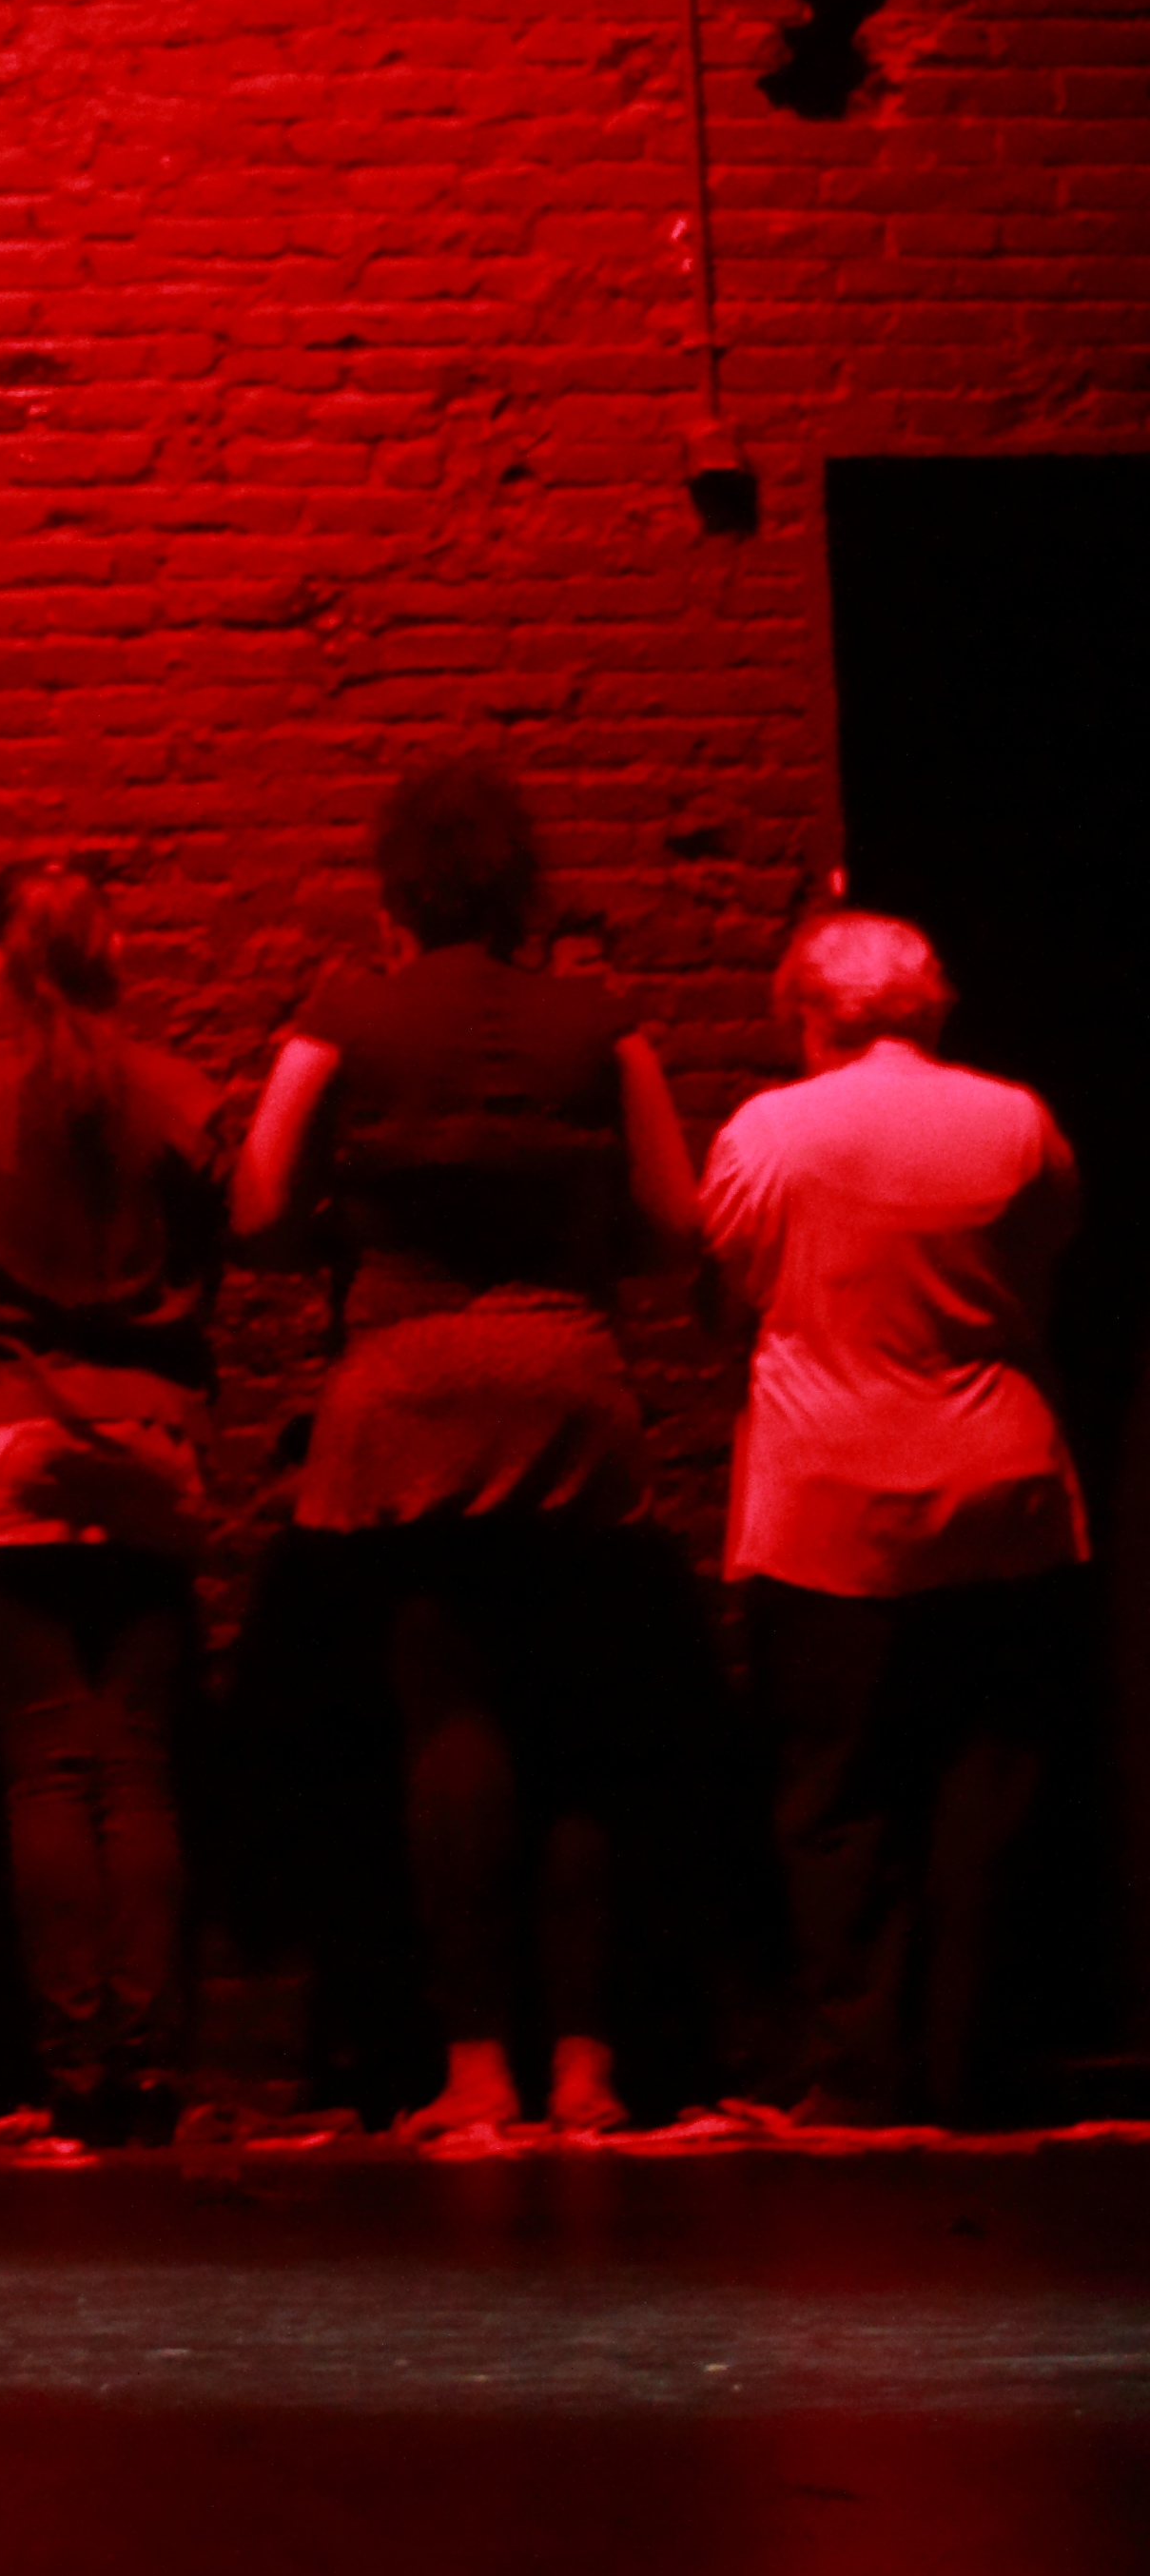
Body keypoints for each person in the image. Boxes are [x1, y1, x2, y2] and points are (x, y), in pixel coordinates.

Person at [232, 758, 699, 2138]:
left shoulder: (341, 1016)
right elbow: (675, 1225)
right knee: (580, 1728)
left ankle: (479, 2067)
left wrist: (348, 1238)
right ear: (519, 888)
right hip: (566, 1382)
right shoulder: (603, 1023)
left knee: (451, 1720)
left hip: (407, 1387)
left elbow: (256, 1208)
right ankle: (590, 2069)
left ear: (400, 889)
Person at [704, 910, 1093, 2124]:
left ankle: (856, 2071)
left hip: (830, 1497)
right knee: (985, 1787)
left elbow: (733, 1288)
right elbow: (1043, 1265)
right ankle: (967, 2061)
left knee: (833, 1796)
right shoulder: (1018, 1120)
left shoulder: (770, 1131)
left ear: (810, 1013)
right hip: (998, 1486)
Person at [0, 866, 228, 2143]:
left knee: (44, 1768)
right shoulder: (180, 1096)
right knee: (137, 1762)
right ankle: (150, 2061)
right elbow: (216, 1251)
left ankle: (74, 2068)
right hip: (148, 1433)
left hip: (7, 1426)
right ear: (117, 954)